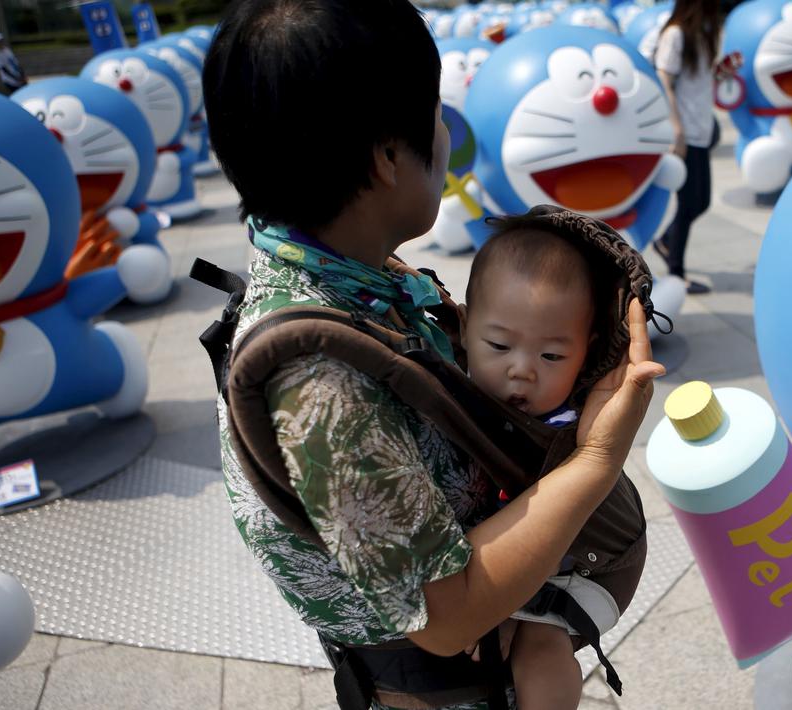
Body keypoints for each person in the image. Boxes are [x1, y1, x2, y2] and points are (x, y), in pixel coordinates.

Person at [202, 1, 663, 709]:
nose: (446, 132)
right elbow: (447, 619)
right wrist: (598, 456)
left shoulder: (346, 271)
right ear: (388, 157)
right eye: (435, 112)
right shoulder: (320, 387)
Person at [458, 221, 607, 710]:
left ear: (584, 355)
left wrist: (509, 613)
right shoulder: (450, 391)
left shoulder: (567, 426)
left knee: (541, 651)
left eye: (551, 355)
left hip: (557, 566)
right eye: (499, 347)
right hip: (482, 565)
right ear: (463, 329)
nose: (522, 368)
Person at [651, 0, 721, 295]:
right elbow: (664, 79)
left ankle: (666, 241)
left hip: (701, 129)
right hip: (685, 132)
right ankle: (676, 272)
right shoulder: (676, 34)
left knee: (701, 201)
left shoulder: (704, 32)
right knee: (689, 202)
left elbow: (698, 81)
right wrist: (675, 128)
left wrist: (722, 74)